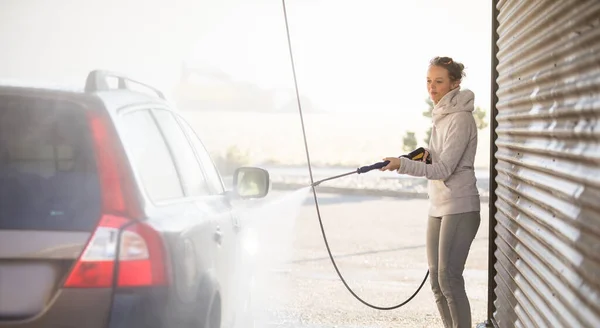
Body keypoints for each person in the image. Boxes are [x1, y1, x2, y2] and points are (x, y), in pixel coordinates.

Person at [380, 56, 481, 328]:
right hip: (438, 205)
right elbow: (436, 158)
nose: (432, 87)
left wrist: (404, 165)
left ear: (455, 84)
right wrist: (414, 158)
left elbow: (445, 168)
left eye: (438, 81)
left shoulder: (460, 118)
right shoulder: (441, 116)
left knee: (450, 278)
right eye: (428, 81)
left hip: (460, 205)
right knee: (437, 282)